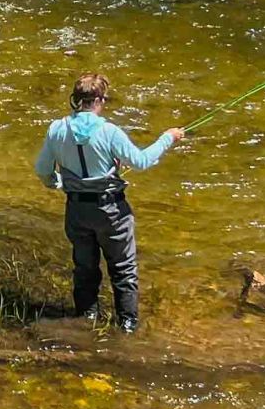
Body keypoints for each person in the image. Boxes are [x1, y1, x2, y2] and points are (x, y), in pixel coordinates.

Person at [33, 72, 184, 331]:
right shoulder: (109, 131)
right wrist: (168, 138)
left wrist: (58, 184)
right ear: (100, 100)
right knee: (123, 271)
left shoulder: (57, 129)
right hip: (111, 210)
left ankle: (86, 322)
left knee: (84, 268)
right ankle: (127, 327)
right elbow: (141, 161)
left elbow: (42, 170)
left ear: (75, 100)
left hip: (77, 210)